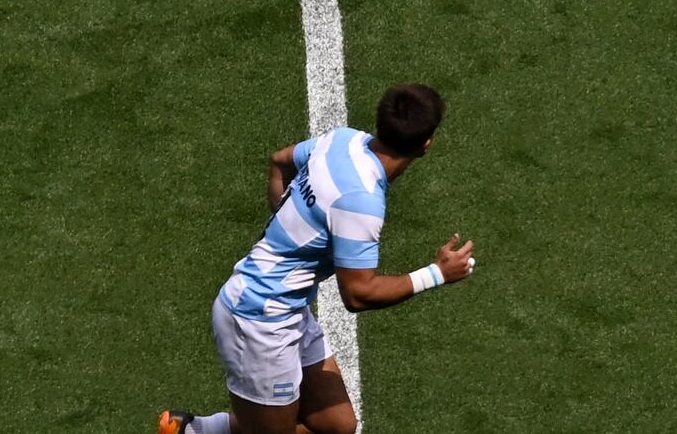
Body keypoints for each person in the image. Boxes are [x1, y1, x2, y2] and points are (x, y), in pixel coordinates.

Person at [161, 84, 476, 434]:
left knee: (337, 428)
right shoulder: (362, 201)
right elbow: (358, 294)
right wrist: (437, 274)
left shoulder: (343, 140)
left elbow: (280, 161)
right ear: (426, 144)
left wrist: (293, 226)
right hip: (258, 321)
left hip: (287, 310)